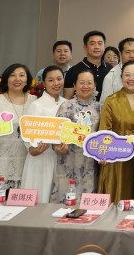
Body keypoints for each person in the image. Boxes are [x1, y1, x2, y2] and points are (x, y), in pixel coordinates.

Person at [97, 60, 134, 202]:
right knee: (116, 196)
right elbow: (104, 130)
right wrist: (103, 153)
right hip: (116, 158)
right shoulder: (111, 101)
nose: (131, 78)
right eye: (127, 75)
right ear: (121, 77)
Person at [0, 63, 36, 197]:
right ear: (6, 79)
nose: (17, 79)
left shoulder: (34, 102)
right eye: (12, 75)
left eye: (21, 75)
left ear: (27, 80)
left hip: (25, 165)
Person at [51, 69, 100, 203]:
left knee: (87, 203)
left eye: (89, 83)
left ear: (95, 85)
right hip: (69, 160)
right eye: (81, 82)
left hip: (89, 163)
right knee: (66, 202)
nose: (85, 86)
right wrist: (58, 146)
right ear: (74, 85)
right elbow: (56, 134)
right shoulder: (66, 106)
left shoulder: (99, 107)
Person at [21, 65, 66, 202]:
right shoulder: (37, 105)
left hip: (62, 160)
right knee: (40, 198)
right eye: (51, 80)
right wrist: (32, 149)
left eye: (59, 79)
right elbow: (28, 133)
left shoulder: (67, 104)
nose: (56, 83)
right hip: (41, 158)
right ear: (44, 83)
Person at [99, 38, 134, 104]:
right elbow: (104, 104)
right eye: (127, 52)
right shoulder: (111, 76)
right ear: (120, 54)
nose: (132, 56)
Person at [64, 30, 111, 99]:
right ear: (85, 47)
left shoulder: (111, 69)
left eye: (100, 43)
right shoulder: (73, 71)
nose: (97, 47)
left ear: (104, 47)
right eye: (92, 44)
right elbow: (67, 100)